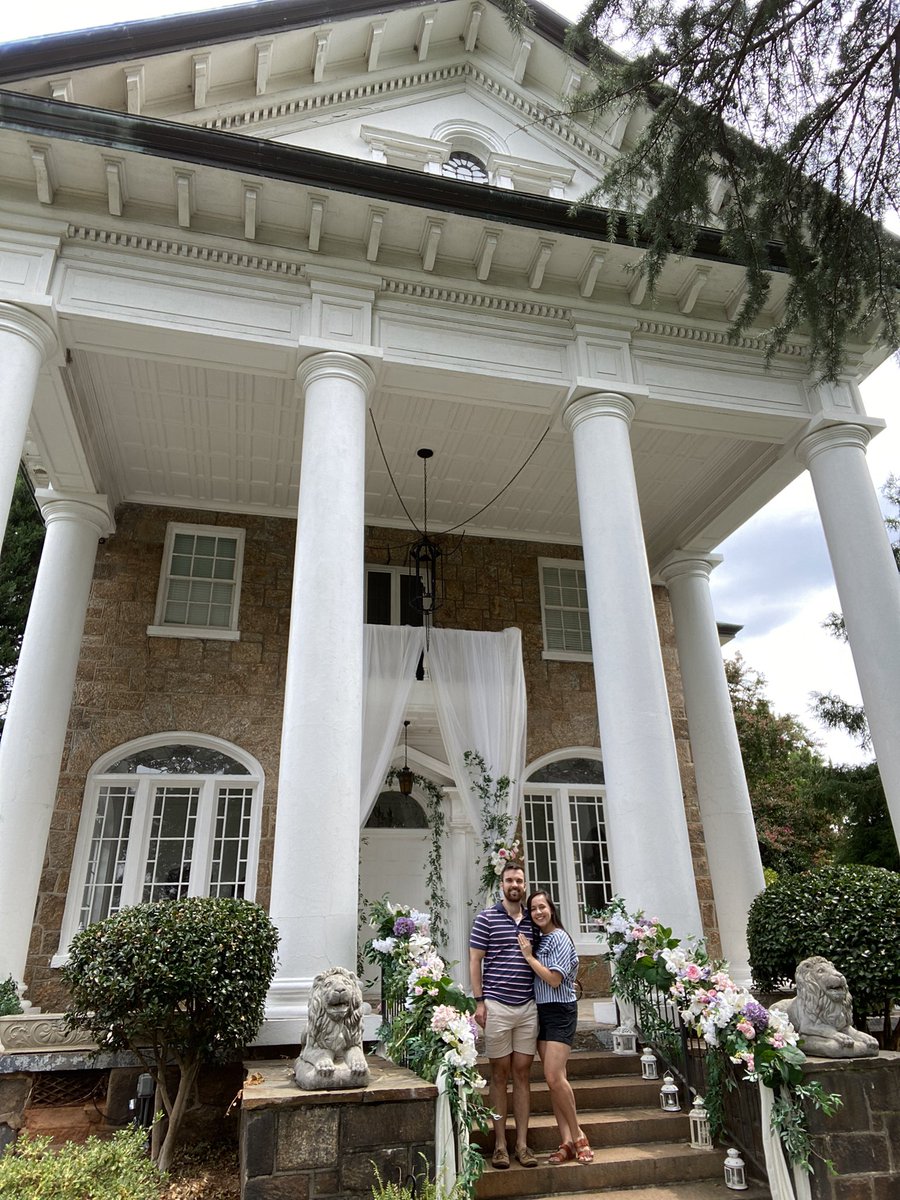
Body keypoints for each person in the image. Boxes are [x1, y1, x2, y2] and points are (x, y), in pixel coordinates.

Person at [469, 860, 539, 1169]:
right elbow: (475, 962)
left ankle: (522, 1145)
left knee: (522, 1076)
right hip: (496, 1005)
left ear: (524, 885)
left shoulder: (533, 922)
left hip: (527, 1007)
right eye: (509, 880)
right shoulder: (486, 919)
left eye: (519, 881)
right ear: (502, 885)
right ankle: (499, 1144)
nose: (514, 885)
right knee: (498, 1076)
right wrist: (479, 1002)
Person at [517, 889, 594, 1164]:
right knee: (554, 1081)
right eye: (533, 909)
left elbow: (553, 979)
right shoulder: (540, 940)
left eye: (542, 907)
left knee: (554, 1076)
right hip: (541, 1011)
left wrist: (528, 957)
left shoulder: (559, 937)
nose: (538, 912)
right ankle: (566, 1142)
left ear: (551, 909)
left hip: (561, 1010)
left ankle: (578, 1135)